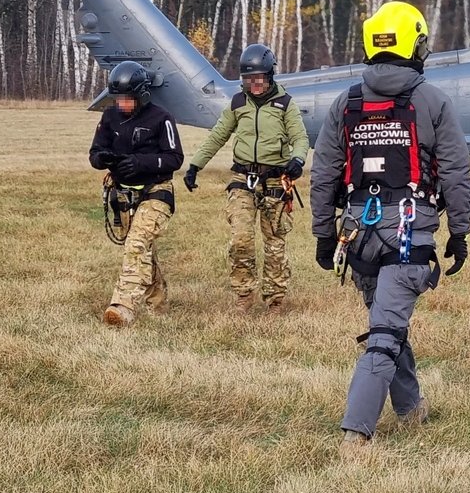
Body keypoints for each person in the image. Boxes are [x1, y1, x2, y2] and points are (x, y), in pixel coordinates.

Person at [309, 1, 470, 462]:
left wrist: (324, 233)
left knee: (386, 320)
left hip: (357, 235)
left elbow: (324, 173)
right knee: (384, 332)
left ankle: (411, 408)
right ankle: (356, 434)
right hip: (408, 235)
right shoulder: (434, 100)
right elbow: (456, 175)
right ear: (416, 44)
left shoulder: (347, 102)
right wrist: (459, 232)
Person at [183, 44, 309, 315]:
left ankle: (275, 298)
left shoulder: (285, 104)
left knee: (274, 241)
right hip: (243, 178)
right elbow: (218, 135)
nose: (253, 84)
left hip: (275, 182)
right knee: (241, 239)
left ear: (270, 76)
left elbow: (300, 138)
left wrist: (297, 160)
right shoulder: (238, 103)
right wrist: (195, 165)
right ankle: (243, 293)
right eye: (248, 79)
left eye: (259, 78)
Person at [89, 61, 184, 327]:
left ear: (142, 95)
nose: (122, 104)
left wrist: (142, 163)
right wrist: (102, 159)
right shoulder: (109, 117)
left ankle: (122, 306)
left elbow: (175, 158)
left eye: (128, 99)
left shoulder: (161, 117)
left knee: (136, 246)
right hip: (123, 195)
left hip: (157, 192)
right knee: (143, 251)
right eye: (118, 99)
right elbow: (94, 153)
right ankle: (158, 302)